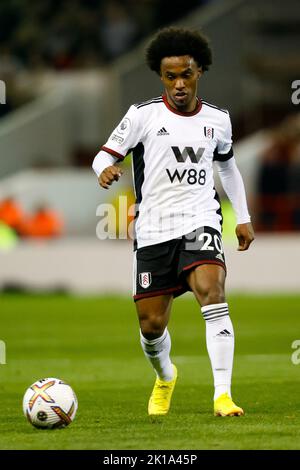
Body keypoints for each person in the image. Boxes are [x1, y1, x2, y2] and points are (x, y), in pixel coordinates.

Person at [93, 27, 254, 417]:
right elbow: (103, 155)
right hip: (153, 230)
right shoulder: (142, 116)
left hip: (200, 221)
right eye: (170, 76)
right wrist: (105, 170)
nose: (179, 84)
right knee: (151, 326)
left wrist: (243, 217)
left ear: (200, 72)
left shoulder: (218, 119)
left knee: (213, 293)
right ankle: (165, 376)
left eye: (186, 74)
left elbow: (228, 168)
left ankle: (222, 395)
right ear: (161, 76)